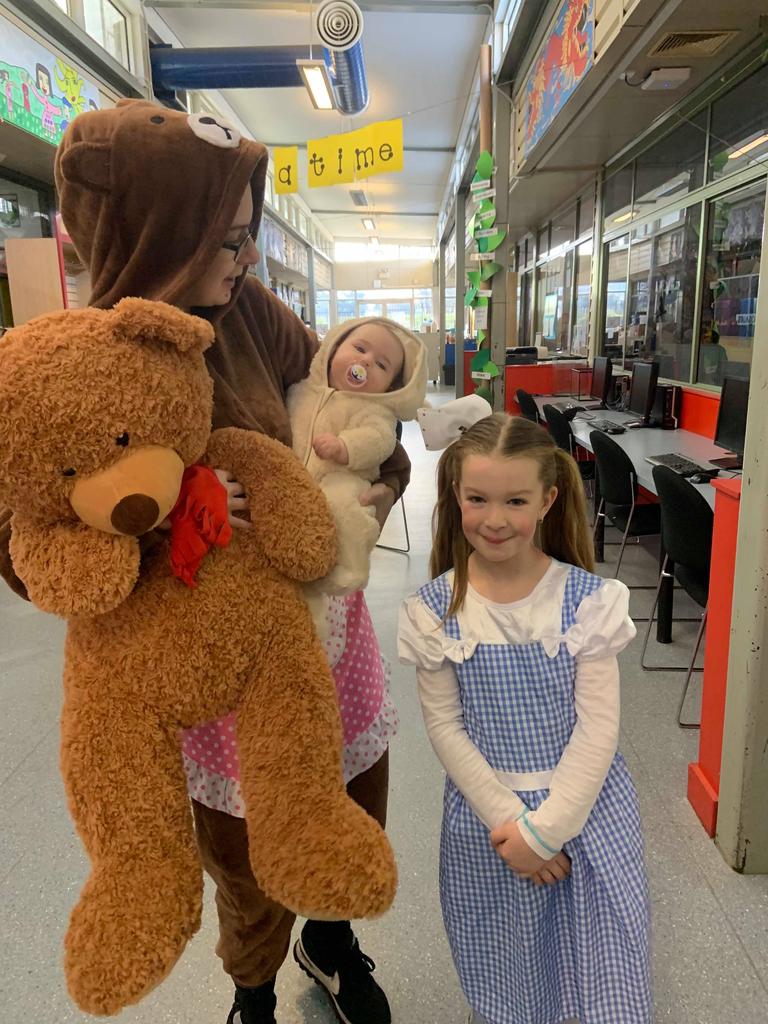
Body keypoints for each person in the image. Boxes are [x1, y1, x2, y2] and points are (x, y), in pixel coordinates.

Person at [0, 99, 405, 1024]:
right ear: (158, 236)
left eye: (250, 235)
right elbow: (21, 537)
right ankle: (253, 984)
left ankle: (333, 939)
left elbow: (354, 411)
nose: (248, 259)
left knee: (350, 800)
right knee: (243, 850)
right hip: (204, 669)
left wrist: (370, 477)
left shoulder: (257, 316)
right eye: (227, 241)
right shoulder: (74, 361)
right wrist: (161, 517)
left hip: (322, 641)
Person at [398, 413, 652, 1024]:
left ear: (547, 500)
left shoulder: (589, 601)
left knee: (602, 974)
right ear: (455, 495)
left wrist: (548, 831)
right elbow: (445, 729)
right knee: (509, 974)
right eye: (478, 498)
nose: (495, 518)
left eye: (515, 500)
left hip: (587, 817)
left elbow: (598, 730)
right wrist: (517, 830)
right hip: (490, 828)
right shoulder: (433, 613)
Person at [288, 315, 426, 595]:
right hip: (291, 478)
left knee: (346, 510)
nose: (365, 362)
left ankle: (349, 568)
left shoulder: (374, 410)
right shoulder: (301, 389)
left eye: (381, 365)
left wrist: (345, 446)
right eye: (360, 349)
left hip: (340, 476)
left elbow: (380, 440)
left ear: (389, 387)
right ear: (334, 348)